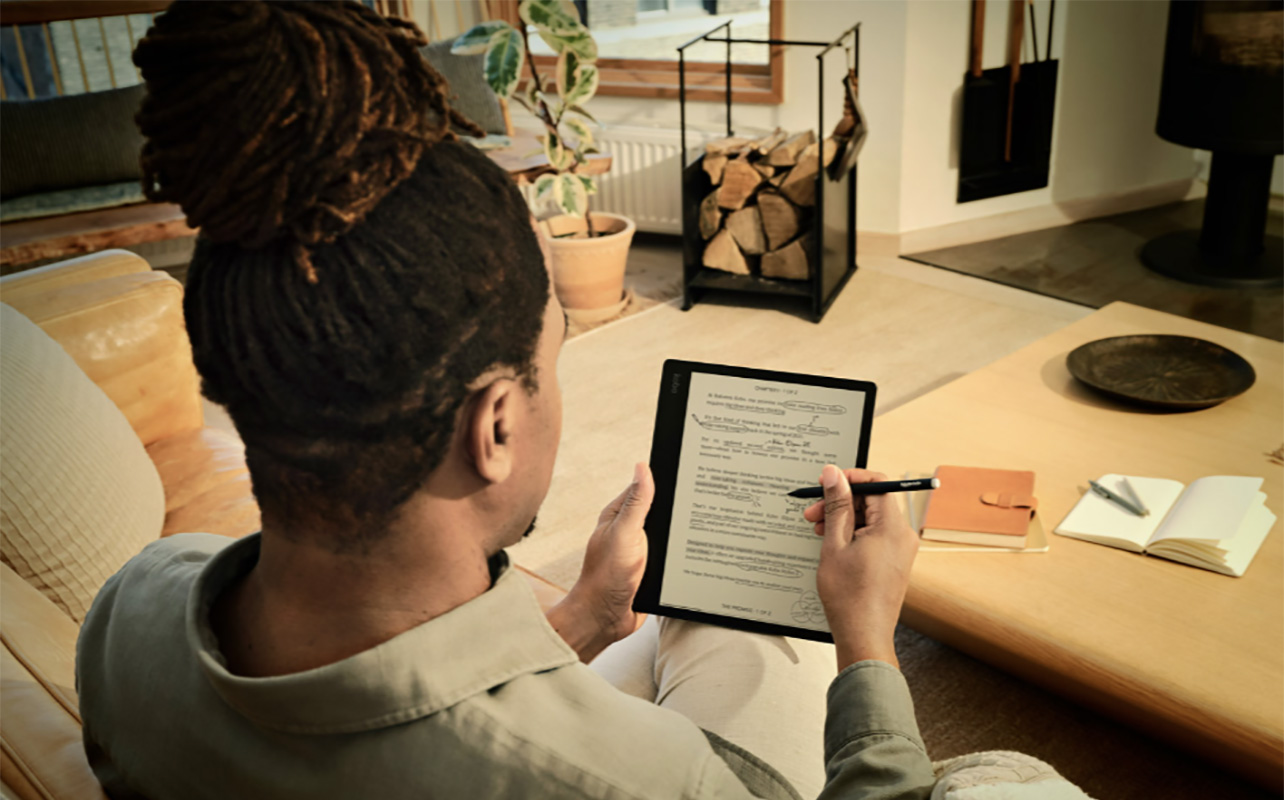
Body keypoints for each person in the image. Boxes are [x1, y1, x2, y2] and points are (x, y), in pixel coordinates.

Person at [75, 2, 935, 798]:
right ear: (494, 426)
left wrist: (583, 619)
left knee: (701, 622)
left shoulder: (128, 617)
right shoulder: (657, 783)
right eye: (553, 354)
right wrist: (866, 641)